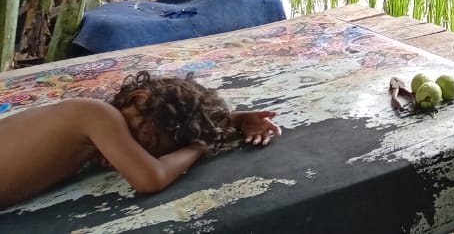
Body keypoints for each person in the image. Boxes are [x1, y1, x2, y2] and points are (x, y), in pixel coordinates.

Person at [0, 70, 280, 207]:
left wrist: (228, 121)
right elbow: (151, 177)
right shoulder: (96, 114)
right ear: (139, 98)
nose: (129, 150)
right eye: (144, 139)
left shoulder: (97, 130)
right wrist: (200, 145)